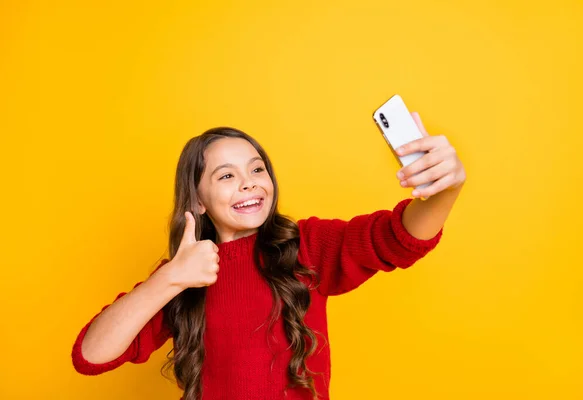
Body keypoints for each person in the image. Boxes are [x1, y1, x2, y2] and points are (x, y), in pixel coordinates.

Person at [71, 119, 466, 400]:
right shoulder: (183, 274)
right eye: (226, 176)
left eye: (257, 168)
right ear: (197, 201)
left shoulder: (307, 245)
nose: (249, 182)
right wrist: (171, 278)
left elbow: (396, 239)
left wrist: (445, 190)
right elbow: (90, 355)